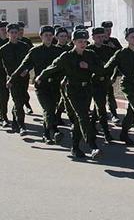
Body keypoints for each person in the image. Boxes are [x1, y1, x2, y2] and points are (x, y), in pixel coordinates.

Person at [38, 29, 102, 159]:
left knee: (80, 120)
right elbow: (52, 67)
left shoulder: (90, 55)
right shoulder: (67, 56)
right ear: (73, 42)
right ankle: (93, 145)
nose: (83, 44)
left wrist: (88, 67)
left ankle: (75, 147)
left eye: (85, 41)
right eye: (80, 42)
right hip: (72, 90)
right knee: (83, 116)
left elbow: (102, 70)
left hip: (86, 89)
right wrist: (40, 76)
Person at [10, 26, 65, 144]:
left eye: (50, 35)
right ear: (41, 37)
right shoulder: (35, 51)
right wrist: (12, 78)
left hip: (55, 86)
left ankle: (49, 132)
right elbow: (24, 65)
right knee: (48, 109)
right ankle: (49, 133)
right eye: (46, 35)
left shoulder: (59, 52)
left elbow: (66, 67)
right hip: (41, 85)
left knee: (51, 110)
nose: (49, 38)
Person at [88, 27, 116, 143]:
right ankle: (106, 133)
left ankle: (91, 125)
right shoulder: (89, 50)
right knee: (101, 107)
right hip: (92, 82)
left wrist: (113, 76)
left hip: (105, 81)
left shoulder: (108, 50)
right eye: (98, 37)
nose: (100, 39)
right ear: (93, 37)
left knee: (99, 105)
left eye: (102, 37)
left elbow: (115, 64)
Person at [101, 21, 121, 124]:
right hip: (98, 74)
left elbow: (122, 56)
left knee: (110, 94)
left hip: (110, 73)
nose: (108, 32)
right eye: (106, 30)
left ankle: (114, 114)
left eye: (109, 30)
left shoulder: (114, 41)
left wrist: (114, 47)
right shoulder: (98, 42)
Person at [16, 21, 34, 114]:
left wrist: (27, 69)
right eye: (19, 30)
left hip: (25, 70)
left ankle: (26, 105)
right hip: (14, 70)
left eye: (22, 30)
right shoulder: (11, 42)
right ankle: (23, 107)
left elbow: (32, 56)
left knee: (24, 89)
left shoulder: (27, 41)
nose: (21, 32)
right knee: (17, 91)